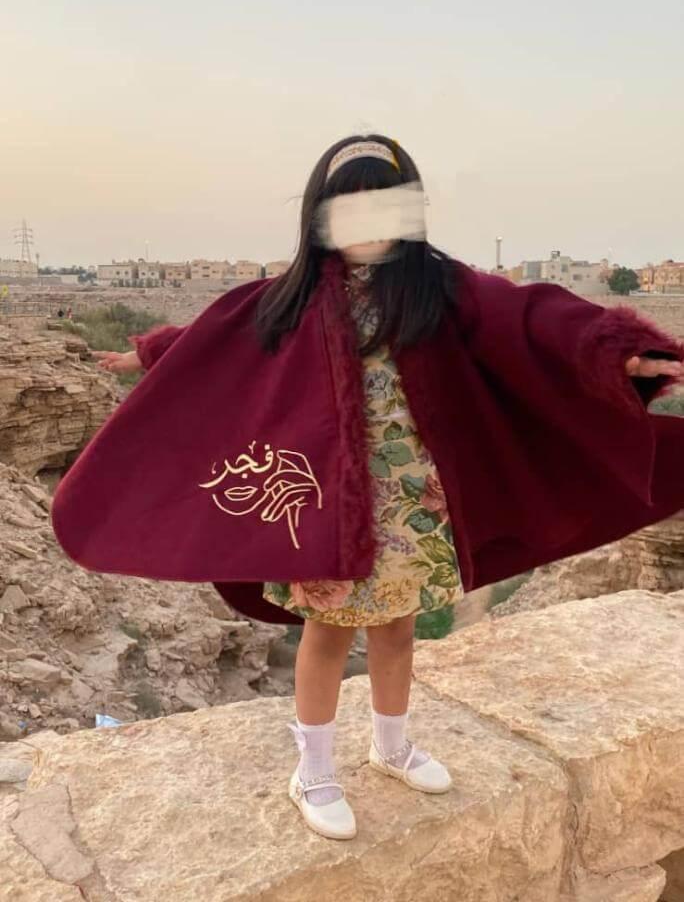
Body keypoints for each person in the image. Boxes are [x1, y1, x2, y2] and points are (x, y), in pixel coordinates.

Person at [54, 135, 683, 842]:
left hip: (415, 500)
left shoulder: (440, 290)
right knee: (327, 633)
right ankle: (314, 771)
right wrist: (150, 353)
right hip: (328, 503)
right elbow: (219, 342)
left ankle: (392, 746)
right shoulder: (294, 298)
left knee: (397, 627)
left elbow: (532, 317)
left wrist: (617, 350)